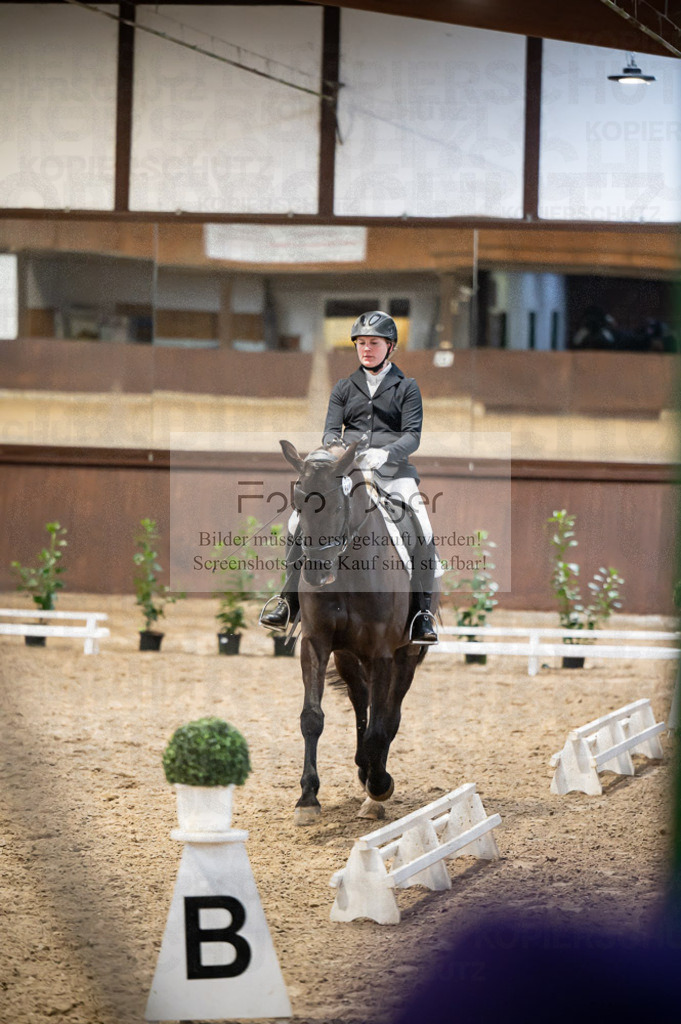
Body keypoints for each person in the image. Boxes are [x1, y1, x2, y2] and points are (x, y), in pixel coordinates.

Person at [260, 310, 439, 644]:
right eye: (361, 343)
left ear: (390, 347)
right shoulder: (344, 387)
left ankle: (421, 613)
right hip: (348, 471)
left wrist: (385, 453)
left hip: (392, 471)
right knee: (296, 524)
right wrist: (336, 449)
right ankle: (288, 600)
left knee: (422, 527)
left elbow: (412, 435)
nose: (366, 349)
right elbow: (331, 430)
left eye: (374, 343)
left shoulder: (407, 387)